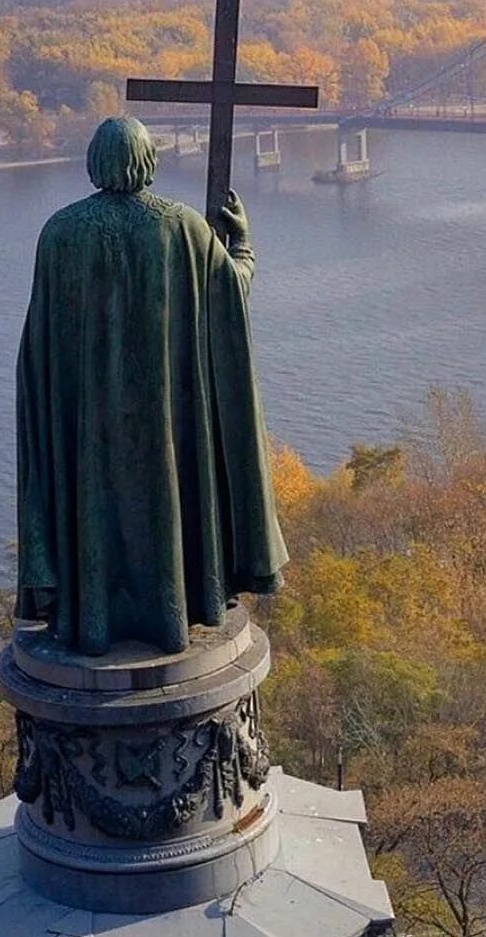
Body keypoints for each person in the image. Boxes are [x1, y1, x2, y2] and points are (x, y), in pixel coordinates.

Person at [14, 116, 286, 656]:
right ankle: (179, 608)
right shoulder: (181, 227)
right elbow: (231, 293)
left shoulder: (60, 233)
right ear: (149, 161)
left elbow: (41, 349)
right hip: (166, 424)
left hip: (88, 429)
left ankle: (91, 616)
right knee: (172, 495)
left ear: (94, 162)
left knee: (96, 506)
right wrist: (245, 244)